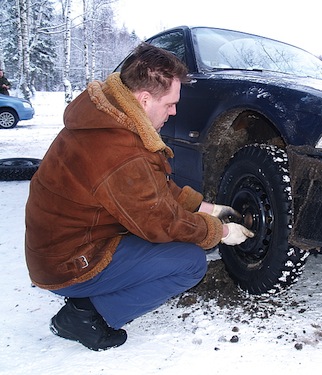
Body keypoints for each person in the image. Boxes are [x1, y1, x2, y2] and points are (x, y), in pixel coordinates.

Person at [24, 43, 254, 351]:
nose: (174, 111)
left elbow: (151, 189)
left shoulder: (108, 117)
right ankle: (86, 315)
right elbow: (160, 223)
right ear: (144, 99)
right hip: (70, 262)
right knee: (189, 263)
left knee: (174, 244)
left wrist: (207, 208)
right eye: (170, 103)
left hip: (67, 244)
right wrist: (221, 232)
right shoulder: (120, 152)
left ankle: (91, 295)